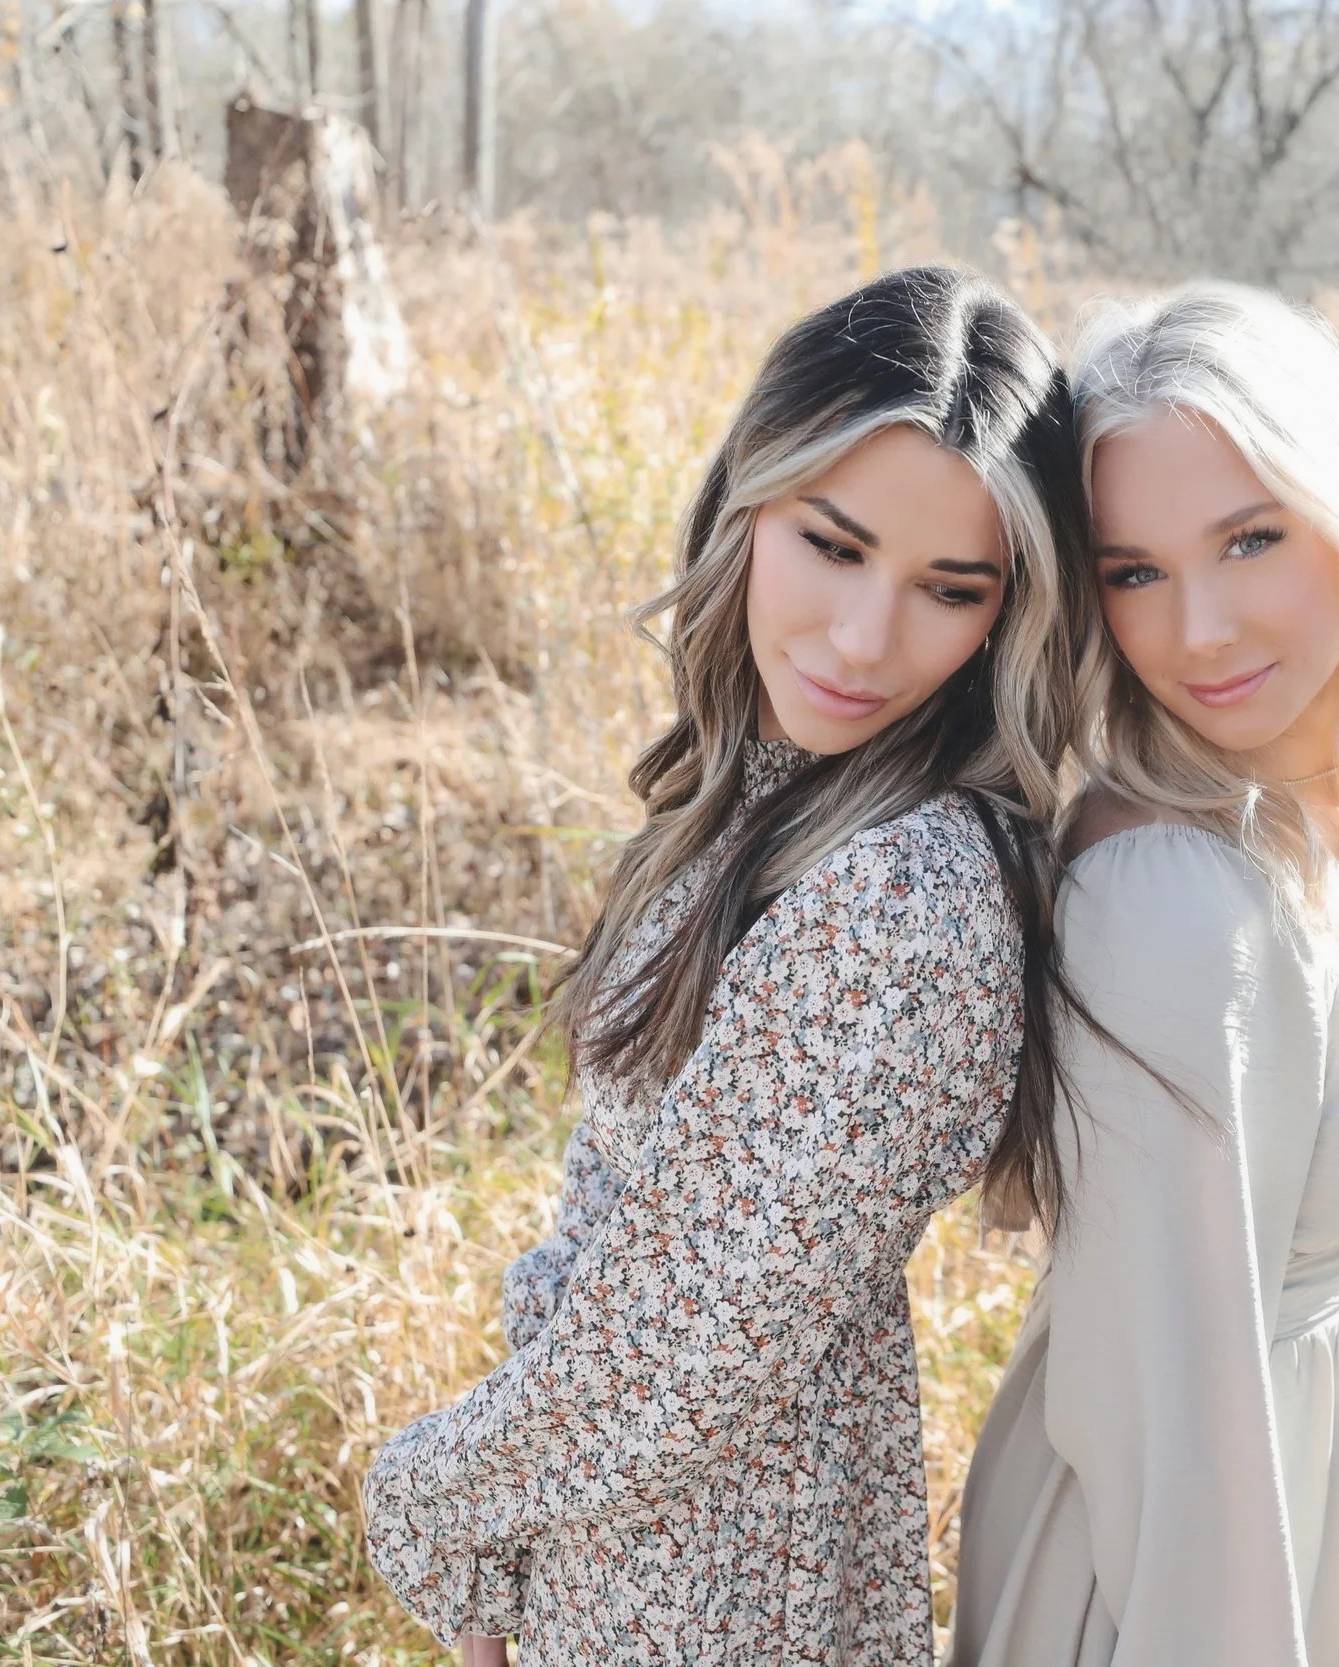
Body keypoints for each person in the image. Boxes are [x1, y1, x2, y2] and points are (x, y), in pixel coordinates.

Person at [361, 265, 1099, 1667]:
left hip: (722, 1597)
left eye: (951, 591)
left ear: (1009, 618)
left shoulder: (903, 897)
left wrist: (423, 1505)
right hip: (615, 1555)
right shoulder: (761, 789)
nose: (865, 641)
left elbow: (663, 1368)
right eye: (832, 545)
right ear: (750, 495)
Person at [951, 283, 1339, 1667]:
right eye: (1135, 571)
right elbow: (1170, 1426)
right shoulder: (1173, 904)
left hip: (1277, 1530)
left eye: (1251, 539)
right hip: (1161, 1598)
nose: (1201, 633)